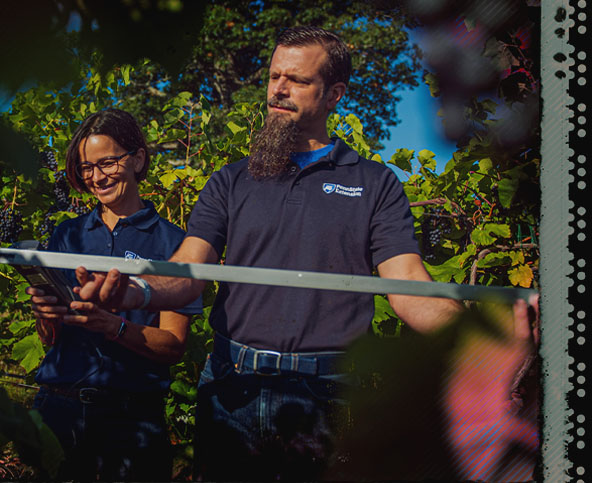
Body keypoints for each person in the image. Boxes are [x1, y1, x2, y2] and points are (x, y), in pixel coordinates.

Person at [74, 27, 464, 480]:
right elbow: (188, 270)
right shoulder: (231, 181)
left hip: (327, 395)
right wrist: (136, 290)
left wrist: (478, 333)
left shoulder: (375, 184)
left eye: (297, 80)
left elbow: (408, 286)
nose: (278, 89)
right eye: (274, 76)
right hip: (230, 387)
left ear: (334, 93)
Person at [26, 108, 202, 481]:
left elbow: (173, 345)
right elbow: (51, 340)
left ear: (137, 159)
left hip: (131, 422)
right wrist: (46, 315)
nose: (96, 177)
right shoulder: (67, 236)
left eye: (106, 162)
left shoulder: (174, 243)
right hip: (59, 411)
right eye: (86, 168)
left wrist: (113, 326)